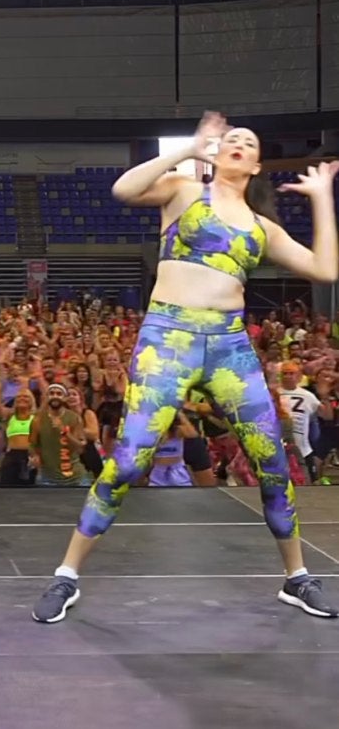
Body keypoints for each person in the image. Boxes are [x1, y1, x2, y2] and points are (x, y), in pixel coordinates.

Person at [33, 112, 339, 623]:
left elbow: (326, 269)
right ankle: (66, 576)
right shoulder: (181, 191)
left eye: (248, 142)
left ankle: (297, 577)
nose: (237, 143)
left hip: (229, 346)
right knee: (128, 463)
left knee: (272, 462)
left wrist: (323, 198)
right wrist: (188, 149)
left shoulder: (262, 228)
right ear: (217, 154)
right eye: (230, 139)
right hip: (167, 338)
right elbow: (124, 189)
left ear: (257, 164)